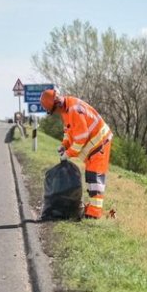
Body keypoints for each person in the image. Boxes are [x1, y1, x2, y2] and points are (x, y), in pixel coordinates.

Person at [40, 88, 113, 219]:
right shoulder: (66, 109)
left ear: (57, 104)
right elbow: (69, 131)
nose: (55, 113)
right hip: (94, 147)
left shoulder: (73, 110)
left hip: (100, 144)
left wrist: (68, 153)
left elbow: (81, 137)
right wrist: (64, 145)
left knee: (94, 178)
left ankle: (94, 214)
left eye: (53, 111)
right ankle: (91, 210)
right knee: (91, 177)